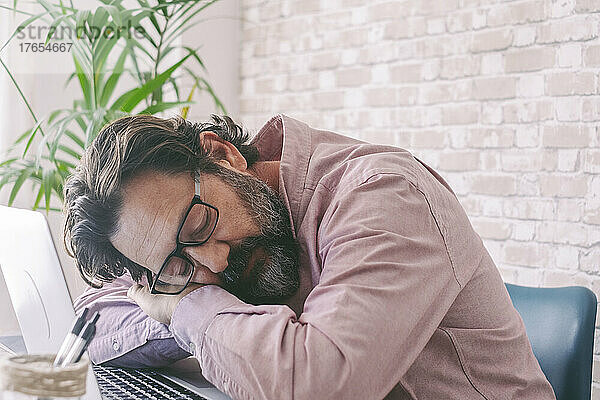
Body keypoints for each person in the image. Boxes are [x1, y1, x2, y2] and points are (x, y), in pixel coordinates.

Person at [65, 114, 556, 400]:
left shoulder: (384, 195)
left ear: (223, 157)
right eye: (177, 266)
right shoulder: (203, 256)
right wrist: (169, 296)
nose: (211, 264)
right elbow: (92, 321)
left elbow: (321, 383)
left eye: (200, 225)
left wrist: (183, 307)